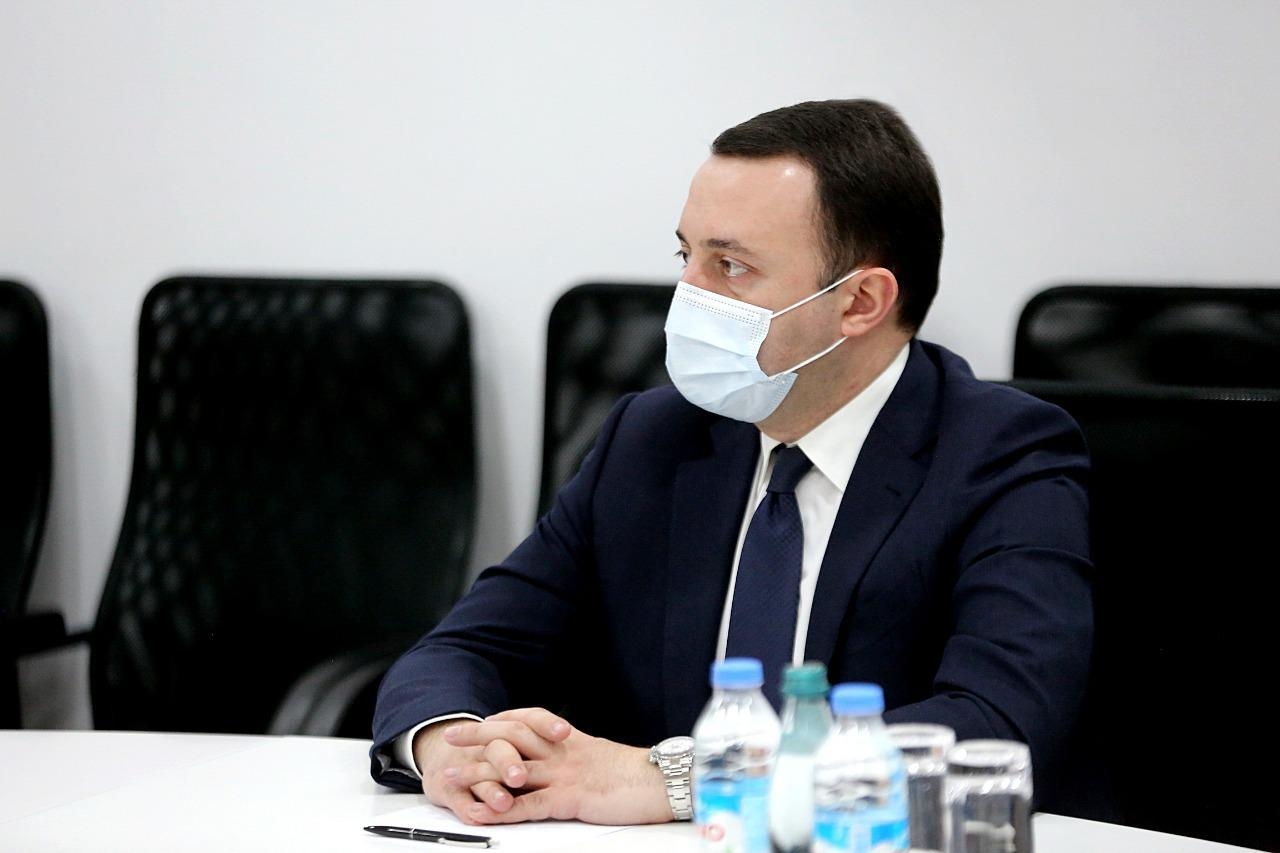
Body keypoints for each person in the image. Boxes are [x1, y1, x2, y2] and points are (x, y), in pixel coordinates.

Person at [369, 98, 1093, 828]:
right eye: (685, 256)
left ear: (860, 301)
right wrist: (453, 745)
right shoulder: (651, 437)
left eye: (731, 265)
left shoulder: (1003, 454)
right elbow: (467, 646)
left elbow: (1000, 729)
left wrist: (681, 777)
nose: (687, 295)